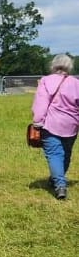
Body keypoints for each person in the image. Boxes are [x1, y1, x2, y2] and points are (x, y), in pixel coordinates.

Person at [31, 54, 79, 200]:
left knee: (54, 155)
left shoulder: (46, 81)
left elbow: (41, 103)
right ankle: (56, 179)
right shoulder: (76, 83)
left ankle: (59, 185)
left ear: (53, 65)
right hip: (71, 125)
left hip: (51, 124)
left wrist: (37, 122)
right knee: (66, 154)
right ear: (69, 66)